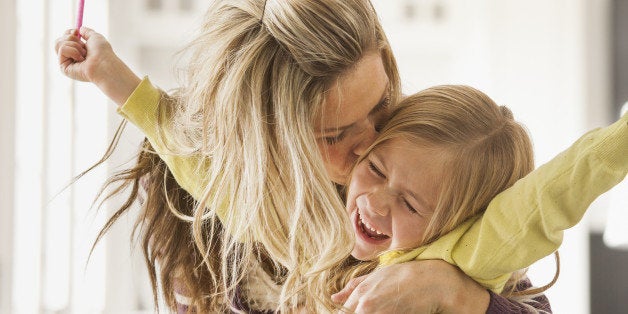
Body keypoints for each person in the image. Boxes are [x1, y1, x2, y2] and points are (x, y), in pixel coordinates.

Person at [54, 0, 623, 312]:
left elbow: (550, 203)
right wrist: (109, 74)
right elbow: (181, 143)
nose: (371, 142)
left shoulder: (440, 179)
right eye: (333, 136)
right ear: (268, 150)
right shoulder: (221, 219)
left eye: (380, 104)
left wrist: (458, 296)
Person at [337, 85, 627, 312]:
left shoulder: (463, 255)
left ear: (463, 225)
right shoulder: (317, 197)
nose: (375, 202)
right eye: (375, 169)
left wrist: (454, 293)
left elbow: (551, 194)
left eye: (410, 205)